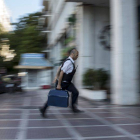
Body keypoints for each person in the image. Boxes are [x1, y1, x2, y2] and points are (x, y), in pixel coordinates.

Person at [39, 49, 82, 117]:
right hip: (62, 83)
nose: (77, 56)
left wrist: (56, 77)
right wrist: (59, 84)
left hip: (67, 83)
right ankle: (43, 109)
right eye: (77, 55)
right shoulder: (68, 62)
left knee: (75, 92)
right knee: (54, 96)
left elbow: (59, 68)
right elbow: (61, 72)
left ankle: (73, 107)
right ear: (73, 54)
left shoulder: (68, 60)